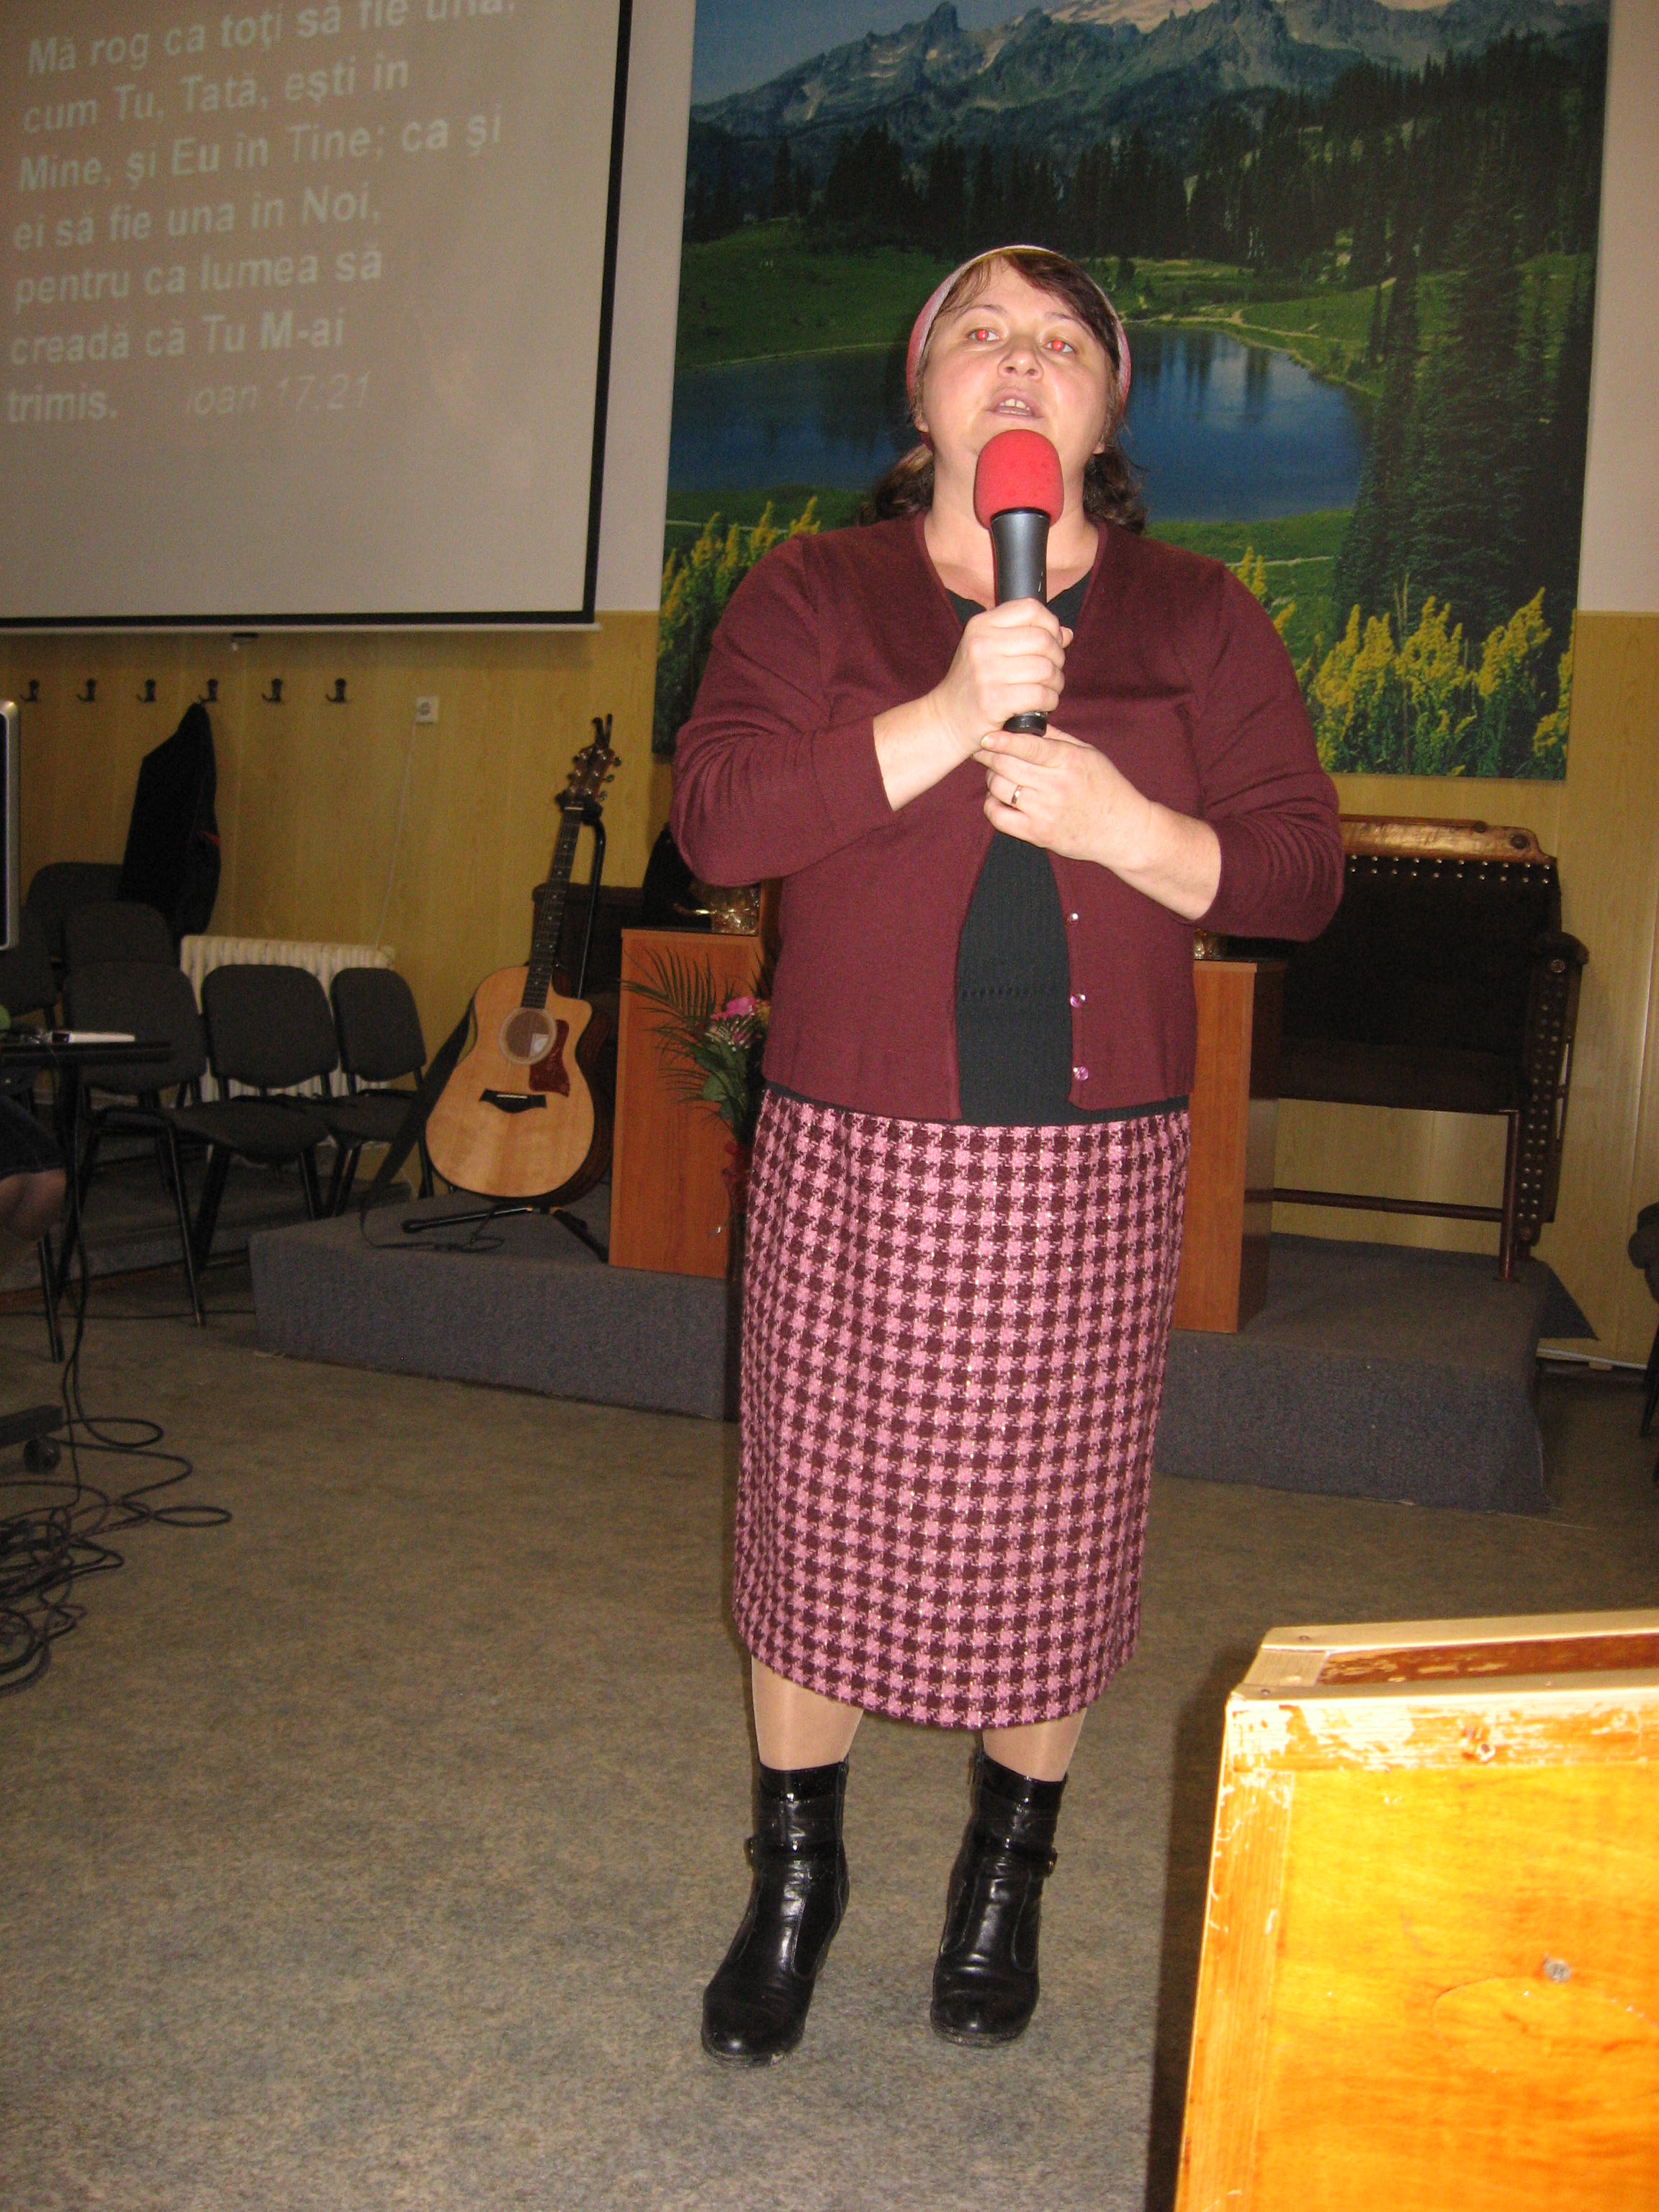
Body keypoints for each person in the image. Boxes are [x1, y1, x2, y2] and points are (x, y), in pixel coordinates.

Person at [670, 245, 1343, 2065]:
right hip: (856, 1139)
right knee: (818, 1525)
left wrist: (1134, 828)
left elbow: (1299, 873)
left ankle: (1005, 1880)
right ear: (921, 392)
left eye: (1062, 341)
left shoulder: (1201, 616)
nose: (1021, 361)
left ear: (1112, 406)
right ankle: (795, 1883)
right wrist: (949, 713)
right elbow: (716, 820)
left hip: (1091, 1160)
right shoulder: (814, 592)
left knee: (1053, 1539)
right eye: (981, 333)